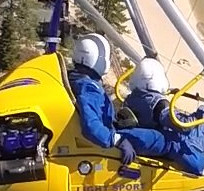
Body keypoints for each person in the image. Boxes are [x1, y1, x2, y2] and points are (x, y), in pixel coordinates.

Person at [69, 34, 173, 167]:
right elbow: (91, 125)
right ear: (98, 60)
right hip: (106, 145)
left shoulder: (75, 79)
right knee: (167, 141)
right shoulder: (89, 88)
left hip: (108, 134)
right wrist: (118, 140)